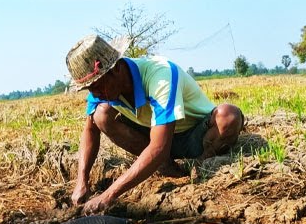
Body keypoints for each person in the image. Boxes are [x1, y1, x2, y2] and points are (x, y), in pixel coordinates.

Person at [65, 33, 245, 214]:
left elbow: (159, 147)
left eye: (96, 86)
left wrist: (108, 195)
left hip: (197, 135)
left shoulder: (160, 75)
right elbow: (90, 130)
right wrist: (82, 181)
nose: (94, 94)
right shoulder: (102, 90)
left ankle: (201, 164)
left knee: (228, 116)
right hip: (156, 136)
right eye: (89, 89)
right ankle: (165, 165)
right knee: (100, 115)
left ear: (116, 68)